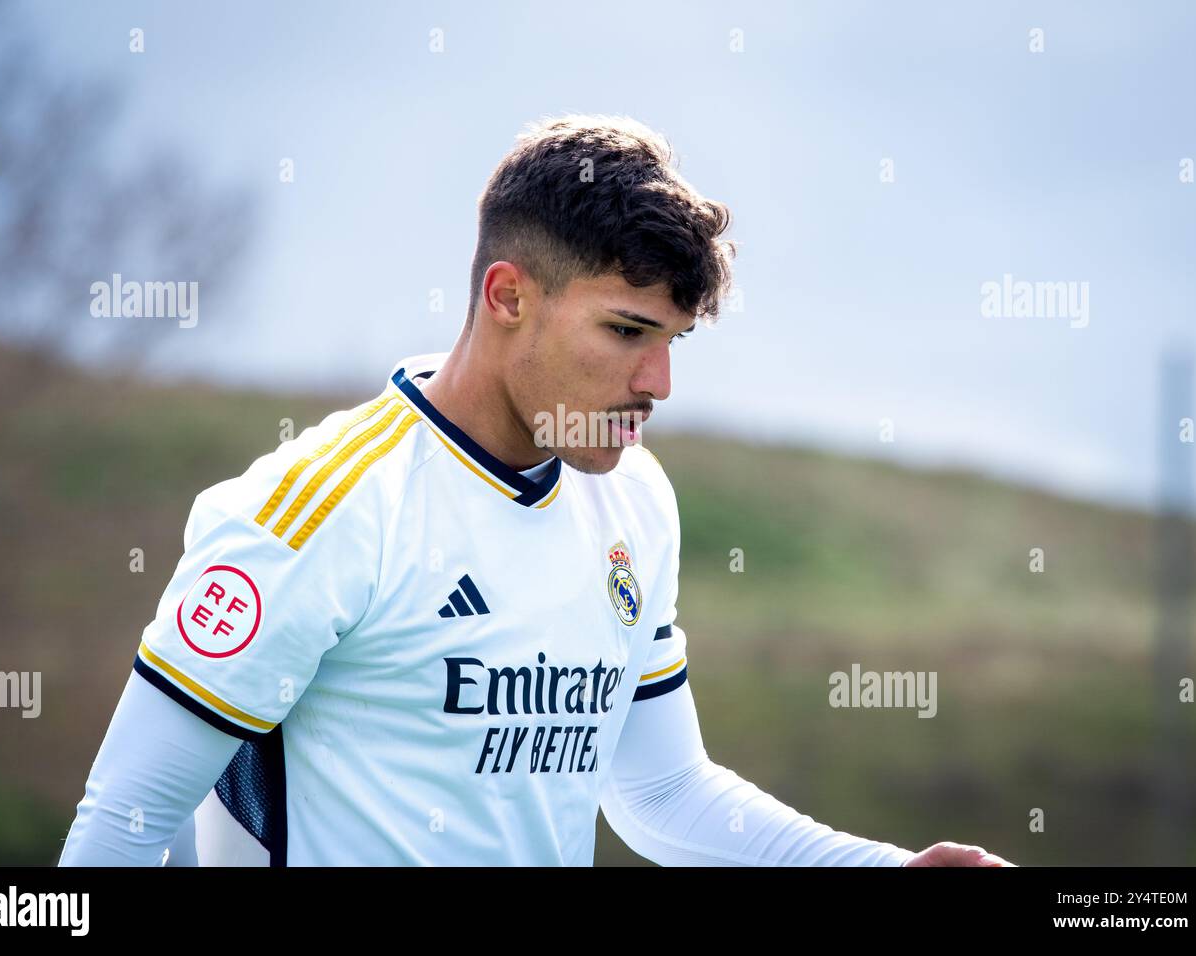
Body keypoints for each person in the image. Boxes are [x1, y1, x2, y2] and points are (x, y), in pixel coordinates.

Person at [59, 114, 1013, 867]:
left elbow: (662, 795)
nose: (658, 386)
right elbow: (120, 831)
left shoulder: (633, 502)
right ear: (508, 296)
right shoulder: (316, 510)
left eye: (672, 343)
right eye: (627, 333)